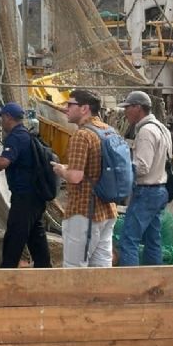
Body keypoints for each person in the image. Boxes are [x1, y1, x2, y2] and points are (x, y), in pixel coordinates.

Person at [0, 102, 51, 269]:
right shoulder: (26, 135)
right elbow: (8, 163)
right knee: (35, 236)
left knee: (14, 236)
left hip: (24, 197)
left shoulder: (16, 137)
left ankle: (6, 272)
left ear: (8, 117)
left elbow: (3, 162)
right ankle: (44, 269)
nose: (0, 121)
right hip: (35, 197)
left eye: (1, 117)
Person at [52, 89, 117, 268]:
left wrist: (61, 170)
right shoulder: (109, 131)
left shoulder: (82, 135)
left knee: (75, 267)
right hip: (107, 210)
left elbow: (75, 177)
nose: (66, 109)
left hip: (85, 212)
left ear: (84, 108)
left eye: (70, 104)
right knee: (102, 268)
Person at [117, 91, 172, 266]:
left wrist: (119, 169)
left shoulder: (146, 132)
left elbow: (142, 166)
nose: (125, 112)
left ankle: (131, 285)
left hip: (146, 191)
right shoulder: (161, 128)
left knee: (129, 240)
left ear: (138, 108)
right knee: (152, 240)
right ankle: (154, 282)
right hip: (159, 189)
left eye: (128, 108)